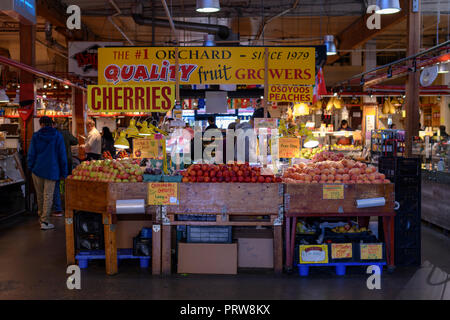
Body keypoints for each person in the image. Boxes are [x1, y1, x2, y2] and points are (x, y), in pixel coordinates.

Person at [27, 116, 68, 230]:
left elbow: (31, 154)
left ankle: (42, 218)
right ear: (52, 124)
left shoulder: (36, 136)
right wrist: (64, 173)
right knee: (48, 196)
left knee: (39, 196)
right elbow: (62, 156)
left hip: (37, 170)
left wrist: (30, 167)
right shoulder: (57, 136)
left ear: (41, 124)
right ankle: (44, 221)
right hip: (52, 170)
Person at [52, 120, 78, 217]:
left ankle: (58, 208)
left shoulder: (52, 135)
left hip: (55, 162)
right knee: (68, 183)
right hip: (67, 161)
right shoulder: (65, 133)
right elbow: (75, 141)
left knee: (56, 185)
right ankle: (70, 205)